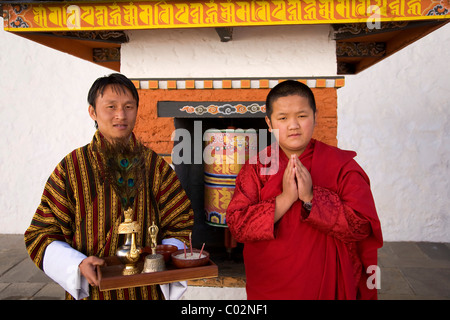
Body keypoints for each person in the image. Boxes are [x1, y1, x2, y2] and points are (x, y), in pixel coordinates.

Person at [24, 73, 194, 300]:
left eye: (128, 106)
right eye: (111, 107)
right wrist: (77, 264)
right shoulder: (72, 168)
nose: (120, 115)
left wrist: (160, 257)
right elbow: (41, 234)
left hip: (146, 290)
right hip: (94, 290)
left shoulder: (155, 167)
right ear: (92, 112)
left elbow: (180, 222)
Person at [226, 80, 383, 300]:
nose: (293, 125)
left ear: (315, 117)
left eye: (302, 116)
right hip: (270, 282)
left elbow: (362, 227)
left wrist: (311, 198)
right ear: (269, 123)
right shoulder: (256, 167)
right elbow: (237, 226)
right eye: (282, 118)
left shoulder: (341, 166)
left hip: (325, 284)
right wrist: (286, 198)